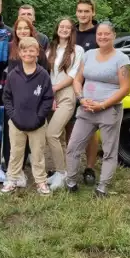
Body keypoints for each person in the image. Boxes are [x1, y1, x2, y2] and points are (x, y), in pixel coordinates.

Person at [65, 22, 130, 197]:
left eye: (106, 34)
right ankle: (71, 180)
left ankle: (102, 187)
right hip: (86, 109)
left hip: (109, 110)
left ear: (114, 35)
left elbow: (125, 88)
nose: (102, 37)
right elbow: (77, 79)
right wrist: (81, 98)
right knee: (73, 146)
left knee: (109, 149)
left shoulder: (122, 59)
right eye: (99, 34)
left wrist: (103, 104)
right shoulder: (88, 55)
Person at [1, 37, 54, 195]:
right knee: (15, 153)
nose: (28, 53)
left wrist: (39, 117)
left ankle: (41, 182)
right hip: (16, 122)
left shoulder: (43, 74)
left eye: (32, 50)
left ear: (37, 52)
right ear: (19, 52)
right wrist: (13, 116)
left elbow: (47, 98)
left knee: (38, 154)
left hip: (37, 123)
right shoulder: (13, 74)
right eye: (25, 50)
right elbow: (7, 97)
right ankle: (12, 179)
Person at [2, 18, 47, 177]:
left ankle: (33, 170)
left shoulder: (37, 49)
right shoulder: (9, 47)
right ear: (15, 31)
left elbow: (45, 74)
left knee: (33, 138)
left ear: (31, 30)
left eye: (25, 28)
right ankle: (14, 171)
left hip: (33, 101)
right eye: (19, 28)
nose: (22, 31)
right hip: (14, 101)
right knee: (13, 139)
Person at [44, 18, 84, 190]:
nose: (64, 29)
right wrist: (49, 93)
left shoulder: (77, 50)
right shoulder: (50, 48)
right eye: (62, 26)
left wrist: (53, 89)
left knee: (51, 133)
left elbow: (73, 75)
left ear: (72, 31)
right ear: (57, 28)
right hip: (50, 94)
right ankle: (60, 172)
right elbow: (45, 72)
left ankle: (62, 173)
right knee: (57, 137)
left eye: (68, 27)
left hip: (66, 94)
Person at [72, 0, 101, 185]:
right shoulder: (71, 31)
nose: (83, 14)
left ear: (93, 12)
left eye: (86, 11)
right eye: (80, 11)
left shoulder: (100, 33)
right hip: (69, 87)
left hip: (91, 88)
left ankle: (89, 168)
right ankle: (71, 165)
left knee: (90, 131)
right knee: (70, 129)